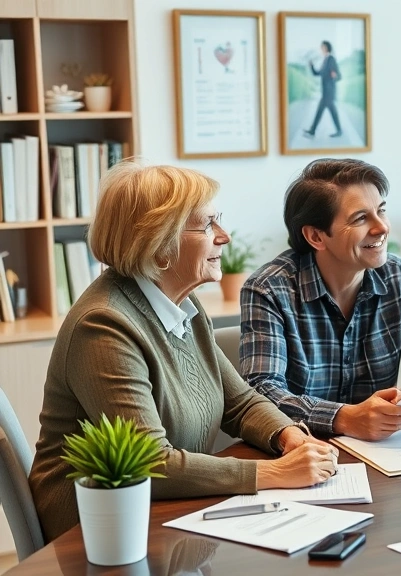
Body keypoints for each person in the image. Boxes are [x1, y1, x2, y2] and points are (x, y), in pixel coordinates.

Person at [28, 163, 339, 542]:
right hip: (96, 532)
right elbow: (150, 463)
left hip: (170, 512)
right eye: (208, 224)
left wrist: (288, 435)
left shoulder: (182, 306)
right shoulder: (104, 325)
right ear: (159, 244)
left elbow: (239, 402)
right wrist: (275, 473)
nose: (224, 237)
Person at [241, 158, 401, 442]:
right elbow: (262, 392)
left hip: (382, 452)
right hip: (304, 452)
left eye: (381, 211)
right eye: (361, 218)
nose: (382, 227)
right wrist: (345, 417)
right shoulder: (269, 289)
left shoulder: (396, 276)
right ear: (315, 236)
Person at [303, 40, 342, 139]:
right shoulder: (325, 61)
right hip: (326, 93)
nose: (321, 49)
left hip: (329, 93)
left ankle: (313, 131)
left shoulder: (331, 59)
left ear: (326, 48)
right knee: (325, 111)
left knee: (324, 111)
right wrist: (311, 66)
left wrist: (334, 76)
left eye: (322, 47)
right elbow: (317, 73)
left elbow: (339, 76)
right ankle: (314, 131)